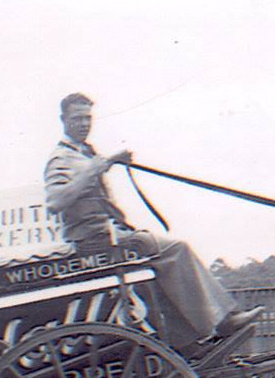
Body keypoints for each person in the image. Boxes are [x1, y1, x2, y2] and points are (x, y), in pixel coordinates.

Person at [44, 92, 262, 349]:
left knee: (159, 269)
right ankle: (222, 322)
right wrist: (91, 171)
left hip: (107, 235)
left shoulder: (82, 153)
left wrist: (111, 161)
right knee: (176, 250)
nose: (84, 124)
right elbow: (55, 201)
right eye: (77, 118)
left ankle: (190, 340)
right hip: (94, 240)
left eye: (88, 118)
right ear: (63, 120)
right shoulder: (60, 159)